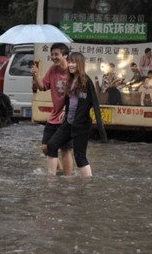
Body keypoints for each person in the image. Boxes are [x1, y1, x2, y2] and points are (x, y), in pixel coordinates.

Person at [45, 52, 104, 177]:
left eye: (74, 62)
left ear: (80, 64)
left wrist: (79, 122)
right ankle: (50, 179)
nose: (71, 65)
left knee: (80, 156)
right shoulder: (71, 80)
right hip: (69, 122)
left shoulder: (85, 81)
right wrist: (65, 112)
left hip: (81, 125)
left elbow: (87, 105)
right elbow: (70, 101)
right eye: (70, 62)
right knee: (52, 145)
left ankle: (88, 184)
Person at [31, 43, 74, 175]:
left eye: (57, 54)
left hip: (67, 117)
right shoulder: (52, 70)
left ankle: (67, 180)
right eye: (52, 54)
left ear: (65, 55)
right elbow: (42, 87)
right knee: (45, 147)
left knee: (66, 150)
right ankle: (58, 167)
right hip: (54, 116)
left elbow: (77, 95)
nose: (54, 57)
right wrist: (35, 75)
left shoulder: (72, 71)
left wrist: (67, 111)